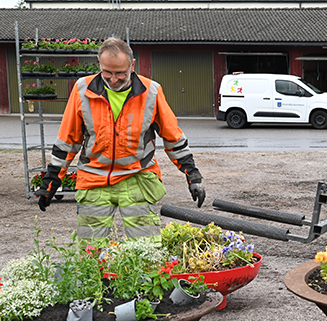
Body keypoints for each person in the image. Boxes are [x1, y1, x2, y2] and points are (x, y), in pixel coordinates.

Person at [35, 37, 205, 244]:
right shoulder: (82, 90)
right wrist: (52, 180)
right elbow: (68, 140)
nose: (113, 79)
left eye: (120, 73)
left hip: (137, 178)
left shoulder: (151, 92)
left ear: (132, 66)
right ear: (99, 64)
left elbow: (173, 137)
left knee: (146, 252)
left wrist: (192, 174)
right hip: (94, 180)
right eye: (108, 72)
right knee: (91, 255)